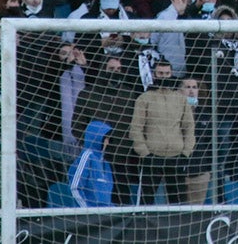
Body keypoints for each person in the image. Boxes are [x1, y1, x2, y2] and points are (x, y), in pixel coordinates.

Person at [129, 61, 194, 205]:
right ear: (154, 74)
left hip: (176, 156)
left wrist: (186, 152)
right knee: (146, 202)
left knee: (179, 203)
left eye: (167, 74)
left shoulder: (180, 99)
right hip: (152, 156)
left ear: (171, 74)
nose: (164, 77)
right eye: (160, 73)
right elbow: (136, 128)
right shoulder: (144, 98)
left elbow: (189, 127)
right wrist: (144, 153)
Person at [68, 120, 114, 208]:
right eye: (105, 139)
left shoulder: (106, 164)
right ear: (96, 137)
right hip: (88, 216)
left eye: (108, 139)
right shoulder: (87, 156)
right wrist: (87, 210)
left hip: (106, 216)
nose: (107, 143)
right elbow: (75, 188)